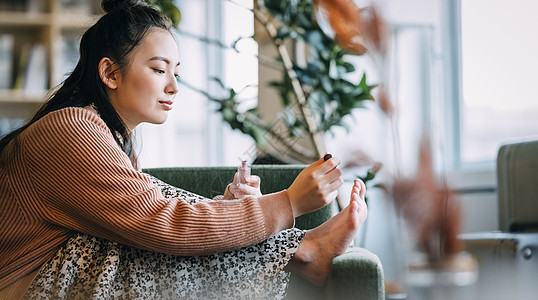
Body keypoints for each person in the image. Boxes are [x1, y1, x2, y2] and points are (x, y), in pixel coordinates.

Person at [0, 0, 368, 299]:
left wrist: (233, 211)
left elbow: (153, 215)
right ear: (110, 73)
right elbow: (164, 223)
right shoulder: (71, 129)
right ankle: (302, 252)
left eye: (177, 71)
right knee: (133, 250)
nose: (175, 86)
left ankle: (304, 251)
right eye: (160, 70)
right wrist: (287, 204)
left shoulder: (103, 134)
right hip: (25, 285)